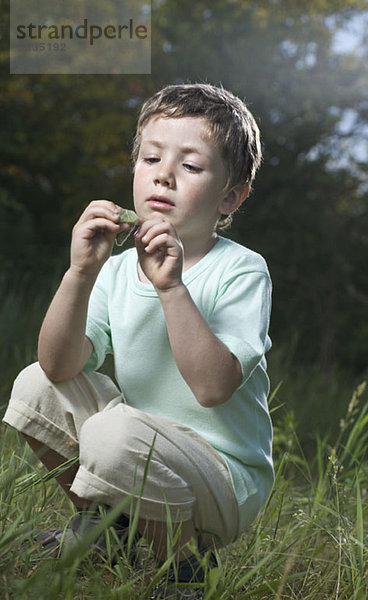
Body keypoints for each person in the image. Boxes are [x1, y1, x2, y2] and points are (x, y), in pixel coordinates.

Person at [3, 83, 274, 599]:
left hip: (219, 478)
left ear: (230, 197)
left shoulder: (241, 270)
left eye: (190, 166)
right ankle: (110, 533)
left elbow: (214, 388)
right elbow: (60, 367)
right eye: (151, 157)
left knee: (112, 433)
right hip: (133, 445)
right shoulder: (118, 268)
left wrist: (170, 287)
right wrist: (81, 272)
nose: (163, 174)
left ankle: (186, 567)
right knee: (35, 384)